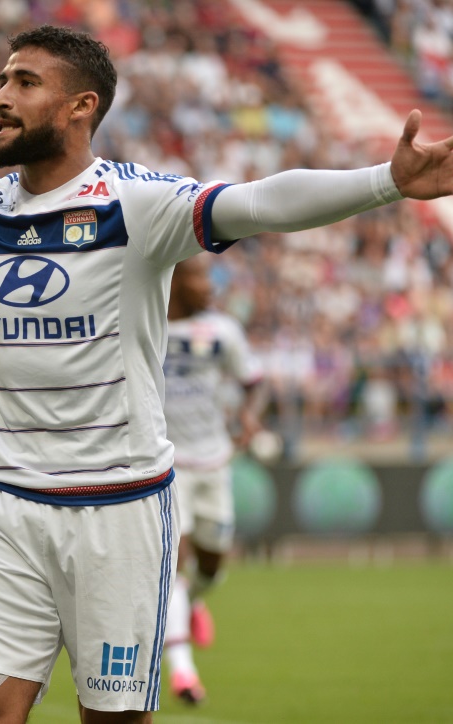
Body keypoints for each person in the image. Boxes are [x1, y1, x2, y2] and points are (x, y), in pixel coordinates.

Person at [0, 24, 453, 724]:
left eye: (24, 82)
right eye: (1, 80)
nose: (0, 96)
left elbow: (260, 202)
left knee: (114, 718)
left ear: (80, 106)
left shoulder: (137, 204)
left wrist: (385, 181)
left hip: (118, 508)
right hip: (1, 502)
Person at [162, 254, 264, 704]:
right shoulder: (143, 323)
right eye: (200, 275)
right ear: (174, 280)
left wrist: (250, 416)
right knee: (173, 568)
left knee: (211, 567)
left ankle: (195, 602)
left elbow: (254, 382)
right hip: (164, 466)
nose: (210, 285)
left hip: (214, 462)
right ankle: (184, 674)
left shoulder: (222, 331)